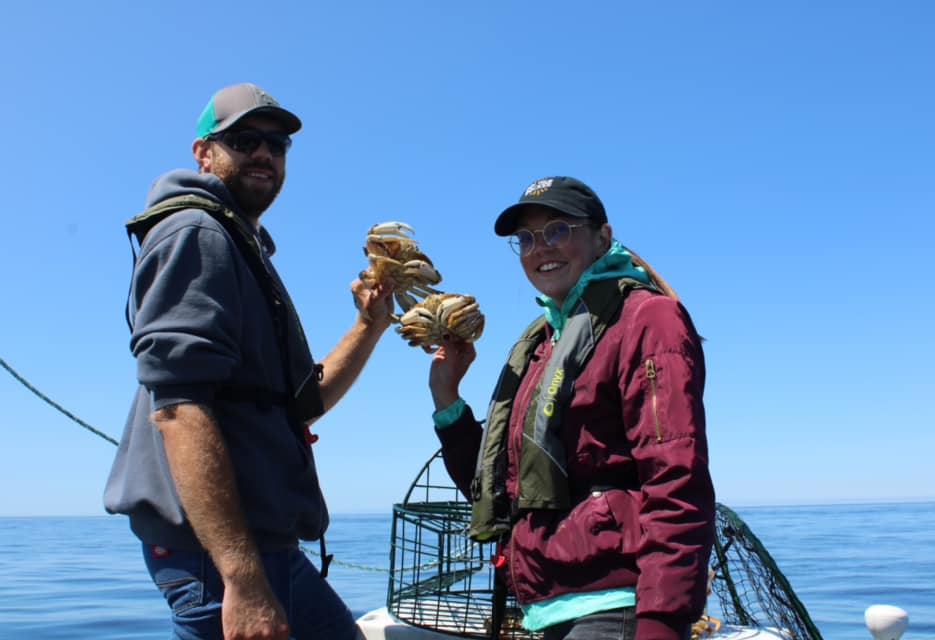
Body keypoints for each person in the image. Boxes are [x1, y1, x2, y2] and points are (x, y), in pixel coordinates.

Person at [104, 83, 394, 640]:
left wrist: (369, 325)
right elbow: (179, 410)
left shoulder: (240, 244)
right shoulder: (198, 232)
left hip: (265, 545)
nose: (264, 153)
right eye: (243, 140)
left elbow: (300, 404)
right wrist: (241, 578)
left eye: (277, 144)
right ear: (203, 153)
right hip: (218, 557)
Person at [427, 176, 715, 640]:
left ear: (602, 236)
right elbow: (503, 495)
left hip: (618, 603)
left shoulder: (647, 319)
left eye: (558, 230)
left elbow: (676, 480)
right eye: (525, 239)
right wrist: (447, 397)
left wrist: (662, 622)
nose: (540, 248)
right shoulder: (543, 344)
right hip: (551, 608)